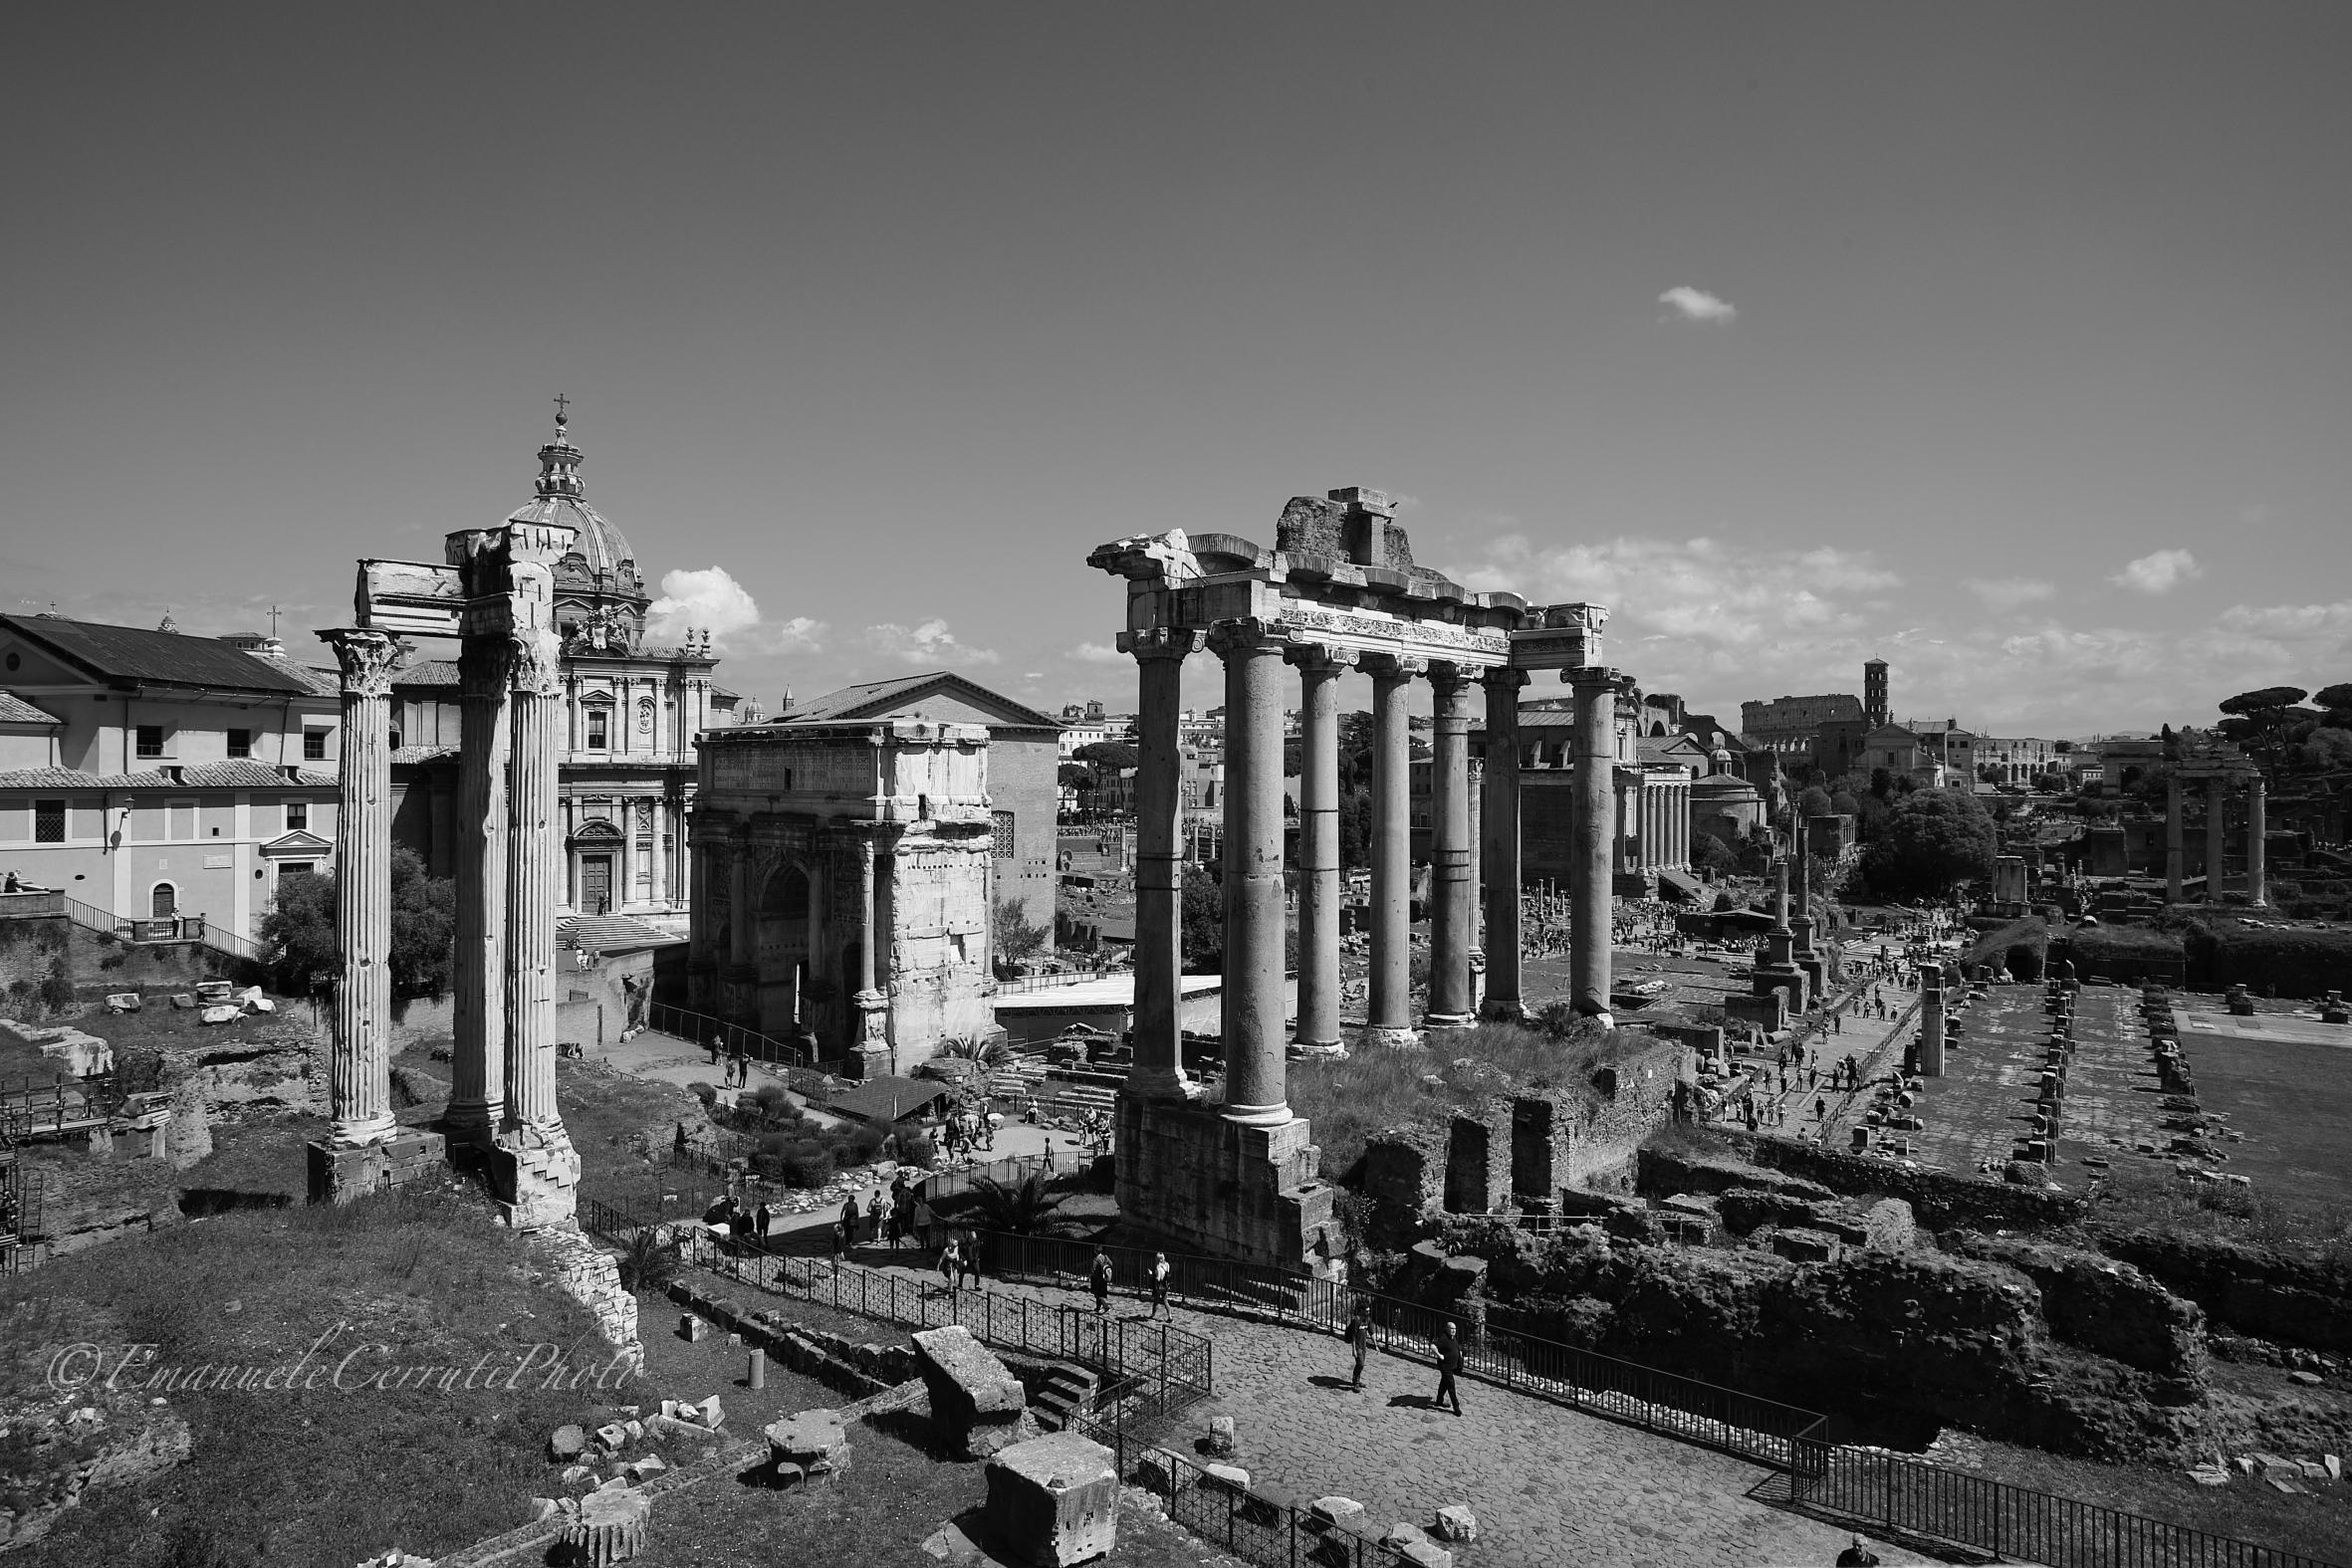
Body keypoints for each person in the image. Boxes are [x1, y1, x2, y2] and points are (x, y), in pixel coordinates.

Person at [1432, 1319, 1465, 1416]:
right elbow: (1433, 1346)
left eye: (1455, 1329)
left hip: (1451, 1366)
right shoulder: (1444, 1338)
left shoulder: (1452, 1338)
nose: (1454, 1330)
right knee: (1451, 1386)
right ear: (1447, 1329)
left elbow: (1455, 1347)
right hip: (1445, 1367)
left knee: (1444, 1383)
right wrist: (1439, 1355)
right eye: (1452, 1329)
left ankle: (1439, 1401)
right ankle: (1456, 1408)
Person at [1346, 1305, 1373, 1391]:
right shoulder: (1356, 1321)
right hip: (1357, 1346)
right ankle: (1356, 1383)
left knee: (1361, 1365)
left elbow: (1371, 1332)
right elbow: (1353, 1336)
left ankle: (1357, 1380)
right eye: (1367, 1311)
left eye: (1369, 1311)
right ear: (1362, 1311)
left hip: (1363, 1346)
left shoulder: (1368, 1320)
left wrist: (1376, 1345)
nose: (1368, 1312)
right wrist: (1353, 1349)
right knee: (1360, 1363)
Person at [1088, 1248, 1112, 1315]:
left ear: (1095, 1251)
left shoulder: (1095, 1259)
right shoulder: (1105, 1257)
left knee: (1098, 1294)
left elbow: (1093, 1270)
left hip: (1097, 1279)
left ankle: (1106, 1307)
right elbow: (1111, 1263)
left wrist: (1091, 1275)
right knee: (1100, 1294)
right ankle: (1098, 1307)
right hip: (1104, 1278)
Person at [1147, 1250, 1170, 1319]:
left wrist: (1151, 1274)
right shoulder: (1167, 1265)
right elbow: (1167, 1273)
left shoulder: (1158, 1267)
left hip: (1159, 1287)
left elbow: (1158, 1278)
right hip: (1165, 1285)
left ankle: (1153, 1314)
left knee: (1156, 1302)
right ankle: (1170, 1316)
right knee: (1165, 1301)